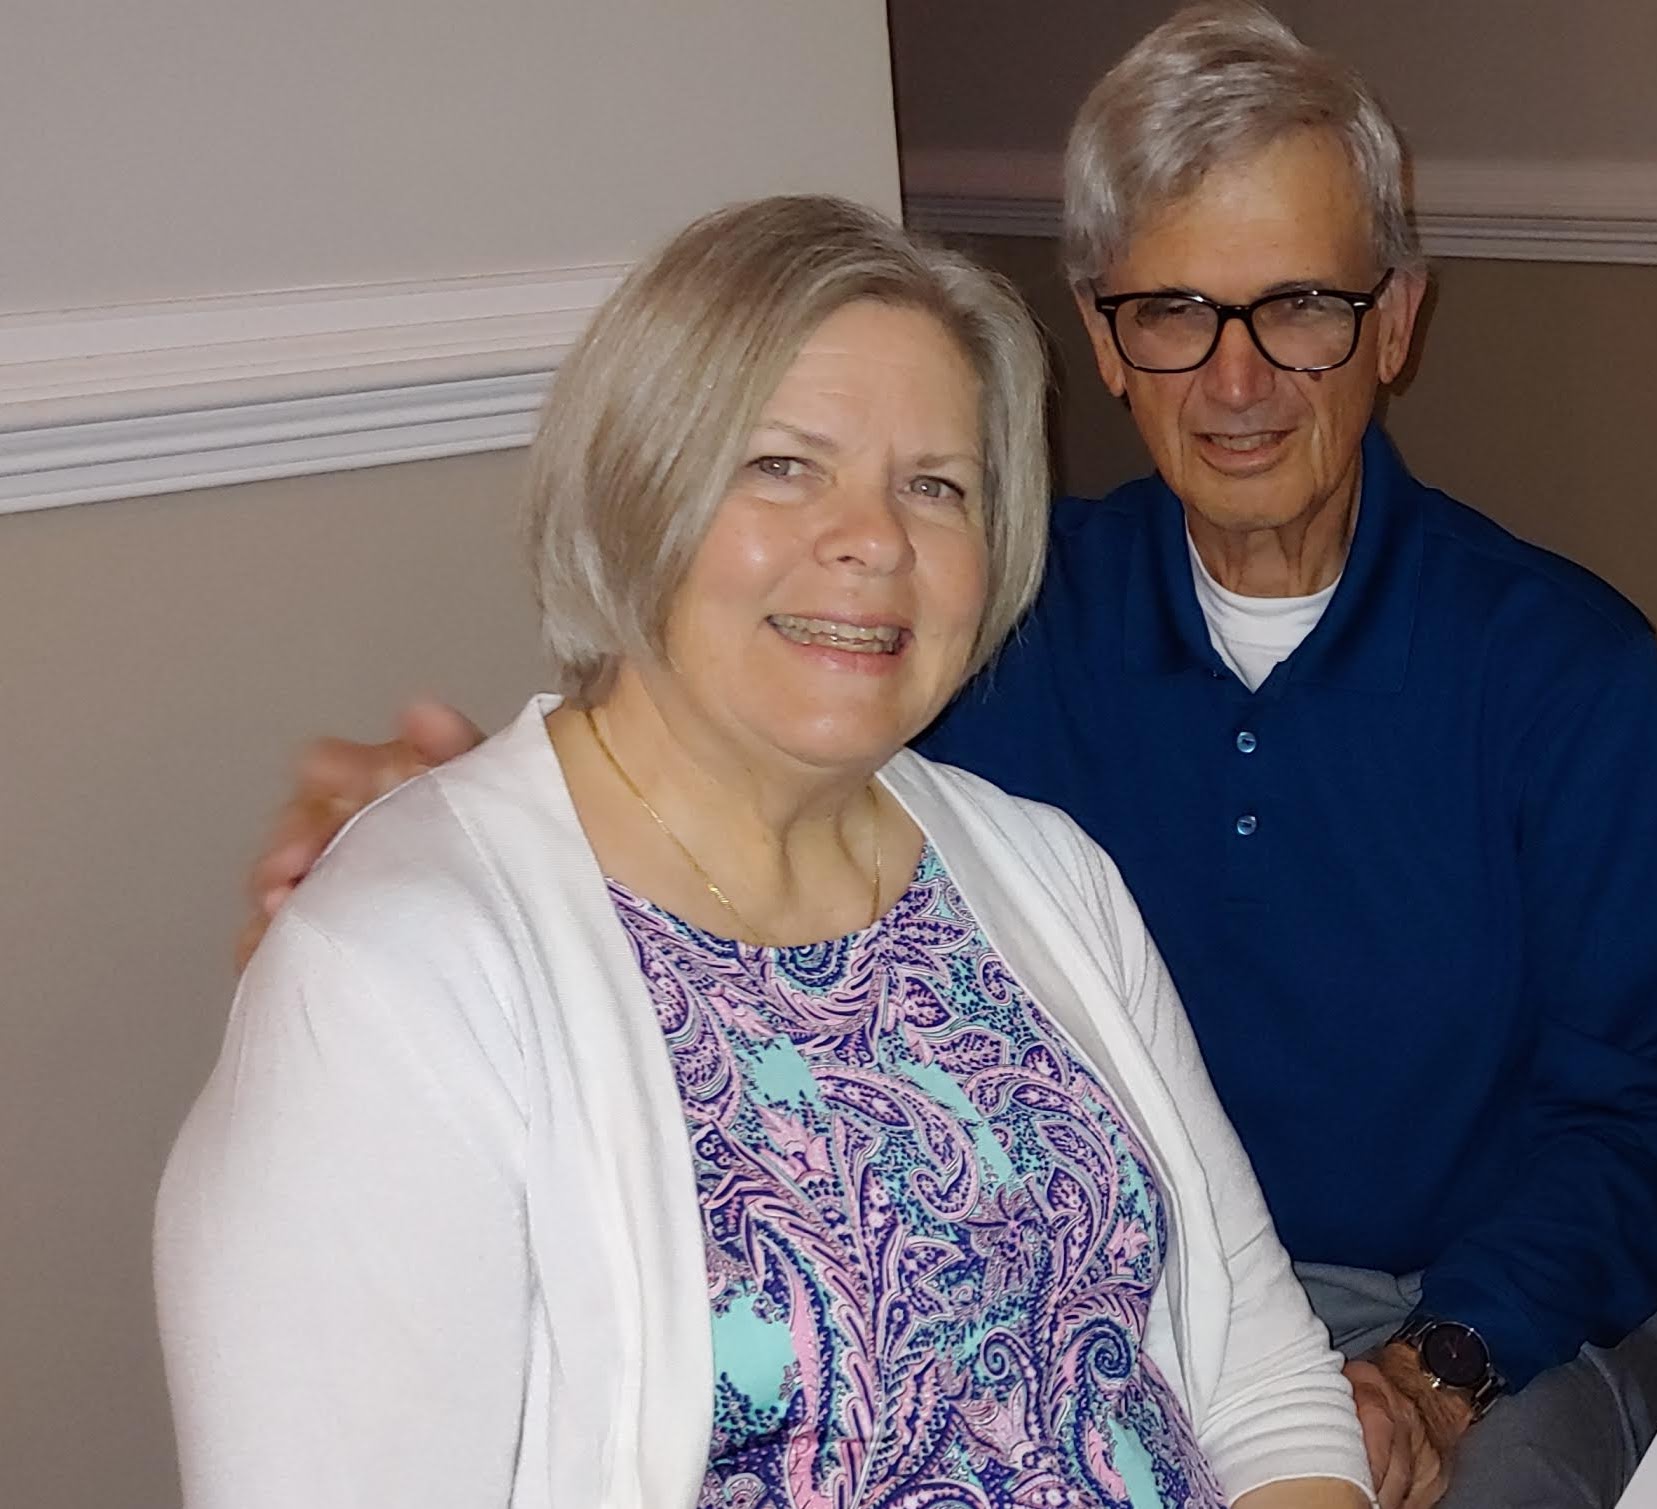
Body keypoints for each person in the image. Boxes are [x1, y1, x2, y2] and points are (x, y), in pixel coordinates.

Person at [237, 6, 1657, 1507]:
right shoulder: (979, 621)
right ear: (1104, 339)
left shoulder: (1565, 669)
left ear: (1394, 322)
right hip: (1113, 1278)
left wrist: (1437, 1364)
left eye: (1299, 306)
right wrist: (481, 828)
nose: (1237, 381)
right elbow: (732, 743)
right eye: (1175, 311)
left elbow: (1638, 1107)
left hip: (1476, 1319)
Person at [158, 195, 1374, 1509]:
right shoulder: (399, 977)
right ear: (640, 491)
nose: (877, 538)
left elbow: (1258, 1374)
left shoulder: (1044, 873)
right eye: (785, 464)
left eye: (936, 485)